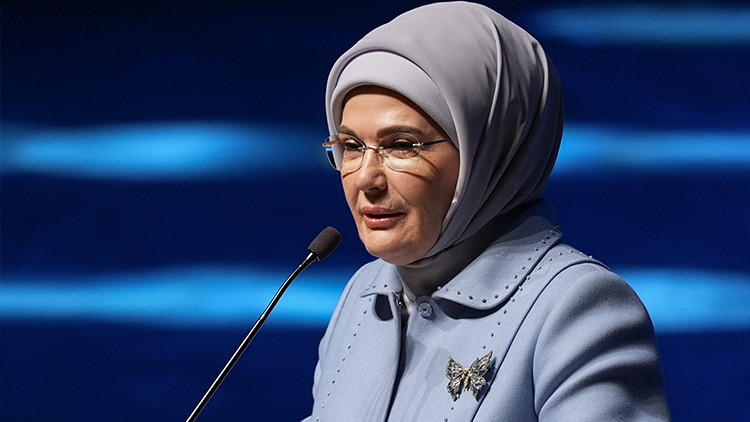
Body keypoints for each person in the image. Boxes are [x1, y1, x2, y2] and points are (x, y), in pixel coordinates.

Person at [306, 2, 670, 421]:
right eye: (352, 146)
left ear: (490, 151)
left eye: (402, 145)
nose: (366, 179)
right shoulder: (364, 294)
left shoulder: (577, 309)